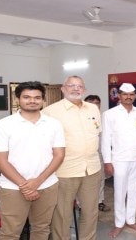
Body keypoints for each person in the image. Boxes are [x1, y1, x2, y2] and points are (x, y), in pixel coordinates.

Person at [0, 81, 65, 239]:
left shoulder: (54, 124)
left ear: (43, 100)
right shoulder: (4, 125)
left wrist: (37, 182)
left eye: (37, 97)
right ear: (18, 98)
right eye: (27, 97)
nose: (32, 101)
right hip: (13, 188)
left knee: (42, 229)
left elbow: (59, 155)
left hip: (47, 185)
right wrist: (25, 186)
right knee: (10, 233)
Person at [42, 75, 102, 240]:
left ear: (85, 90)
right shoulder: (50, 112)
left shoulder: (93, 109)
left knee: (90, 212)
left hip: (92, 169)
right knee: (62, 215)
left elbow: (97, 133)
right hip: (64, 171)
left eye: (79, 86)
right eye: (71, 85)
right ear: (63, 89)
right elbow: (44, 144)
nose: (76, 89)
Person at [101, 83, 136, 238]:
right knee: (120, 191)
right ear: (119, 96)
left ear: (135, 96)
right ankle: (119, 223)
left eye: (132, 94)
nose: (129, 97)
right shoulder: (110, 114)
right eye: (125, 94)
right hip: (119, 159)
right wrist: (107, 161)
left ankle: (131, 220)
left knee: (134, 190)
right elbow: (105, 139)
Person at [84, 94, 111, 212]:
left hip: (100, 155)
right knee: (84, 183)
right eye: (92, 103)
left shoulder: (103, 118)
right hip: (85, 157)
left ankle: (100, 201)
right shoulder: (81, 118)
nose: (95, 106)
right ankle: (81, 205)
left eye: (97, 103)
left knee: (101, 180)